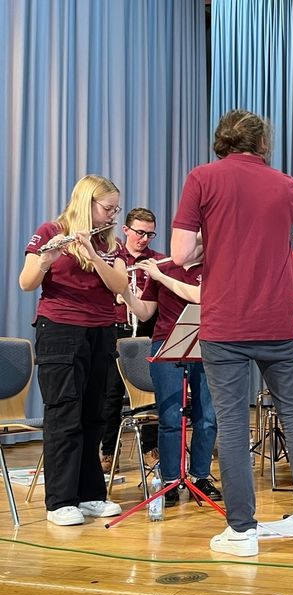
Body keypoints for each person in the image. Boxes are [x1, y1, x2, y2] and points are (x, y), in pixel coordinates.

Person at [170, 109, 293, 556]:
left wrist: (211, 240)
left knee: (232, 423)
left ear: (223, 141)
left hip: (224, 322)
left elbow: (178, 253)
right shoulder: (283, 183)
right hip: (275, 322)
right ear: (262, 144)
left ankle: (242, 531)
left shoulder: (201, 178)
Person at [19, 174, 127, 526]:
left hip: (101, 330)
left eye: (115, 209)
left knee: (94, 414)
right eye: (107, 208)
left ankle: (91, 494)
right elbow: (26, 282)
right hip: (60, 330)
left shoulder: (111, 243)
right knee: (64, 413)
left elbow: (120, 286)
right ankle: (61, 501)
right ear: (87, 203)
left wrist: (93, 255)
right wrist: (47, 258)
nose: (113, 215)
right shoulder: (51, 230)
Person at [122, 255, 221, 507]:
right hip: (166, 343)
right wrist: (124, 289)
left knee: (207, 417)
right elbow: (145, 313)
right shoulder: (163, 267)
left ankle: (200, 477)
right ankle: (170, 481)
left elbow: (201, 296)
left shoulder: (214, 264)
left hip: (206, 343)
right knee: (170, 417)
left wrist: (160, 277)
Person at [101, 207, 165, 474]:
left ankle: (151, 448)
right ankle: (107, 452)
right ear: (126, 230)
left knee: (149, 390)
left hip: (147, 329)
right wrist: (117, 293)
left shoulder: (159, 261)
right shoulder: (112, 255)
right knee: (111, 393)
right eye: (140, 232)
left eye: (150, 234)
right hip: (116, 328)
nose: (144, 239)